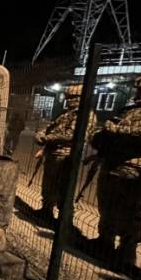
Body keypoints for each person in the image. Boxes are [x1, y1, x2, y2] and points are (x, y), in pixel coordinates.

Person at [91, 75, 141, 271]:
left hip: (134, 168)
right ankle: (105, 241)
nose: (138, 94)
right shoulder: (128, 110)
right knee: (107, 206)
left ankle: (126, 252)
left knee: (130, 213)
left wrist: (116, 129)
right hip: (113, 165)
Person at [34, 85, 96, 226]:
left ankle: (64, 222)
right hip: (54, 154)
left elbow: (73, 135)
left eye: (72, 98)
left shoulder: (85, 115)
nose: (68, 101)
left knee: (63, 190)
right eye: (68, 98)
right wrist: (41, 134)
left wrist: (47, 138)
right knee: (48, 186)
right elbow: (49, 128)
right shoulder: (66, 114)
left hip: (67, 156)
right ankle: (46, 211)